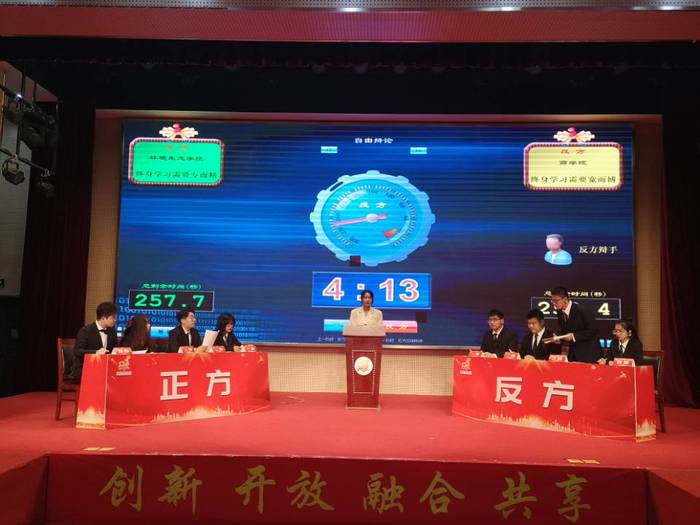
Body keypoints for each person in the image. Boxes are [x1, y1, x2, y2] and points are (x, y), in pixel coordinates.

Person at [550, 286, 601, 363]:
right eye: (552, 301)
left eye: (556, 301)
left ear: (565, 299)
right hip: (573, 355)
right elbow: (564, 331)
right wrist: (559, 339)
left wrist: (574, 336)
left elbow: (593, 330)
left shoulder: (582, 310)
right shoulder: (559, 312)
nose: (554, 304)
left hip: (588, 355)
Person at [71, 301, 118, 382]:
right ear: (103, 318)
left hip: (103, 367)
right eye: (113, 317)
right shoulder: (85, 331)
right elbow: (77, 351)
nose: (115, 320)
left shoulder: (112, 332)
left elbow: (114, 348)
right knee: (101, 377)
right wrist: (96, 352)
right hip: (84, 367)